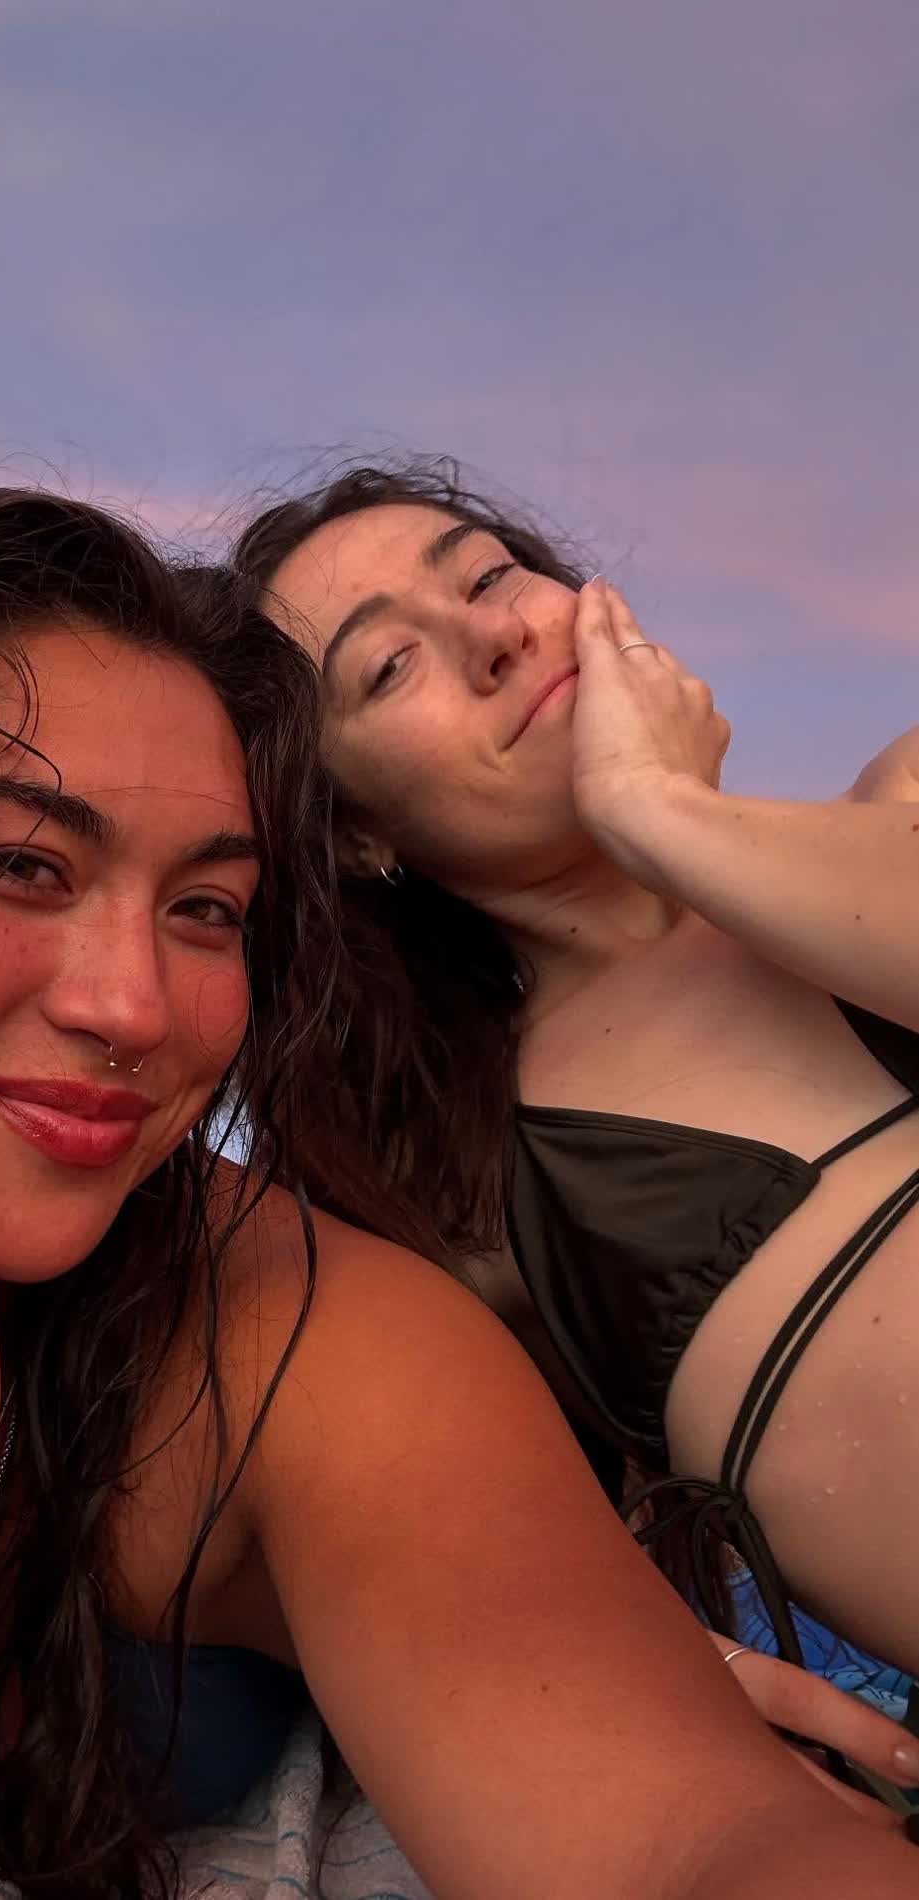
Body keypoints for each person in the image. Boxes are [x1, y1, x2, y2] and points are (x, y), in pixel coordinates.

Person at [0, 489, 915, 1900]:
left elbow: (676, 1838)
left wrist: (597, 1655)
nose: (135, 1008)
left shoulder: (293, 1327)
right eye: (21, 865)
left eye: (205, 910)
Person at [232, 458, 919, 1699]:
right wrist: (655, 1663)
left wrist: (660, 814)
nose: (493, 635)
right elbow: (391, 1544)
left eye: (490, 576)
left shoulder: (901, 797)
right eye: (391, 665)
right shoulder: (473, 1190)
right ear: (356, 833)